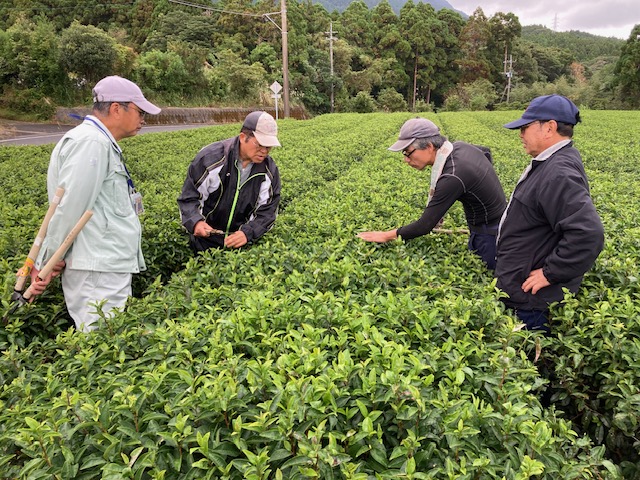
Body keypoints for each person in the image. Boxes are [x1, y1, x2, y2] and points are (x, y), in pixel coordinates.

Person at [31, 75, 161, 332]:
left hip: (103, 265)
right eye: (139, 111)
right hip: (97, 269)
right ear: (116, 108)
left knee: (108, 338)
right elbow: (69, 206)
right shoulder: (92, 143)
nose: (144, 119)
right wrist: (45, 262)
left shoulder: (97, 141)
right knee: (101, 338)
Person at [496, 94, 605, 334]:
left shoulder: (558, 172)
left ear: (549, 128)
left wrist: (550, 273)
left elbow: (589, 233)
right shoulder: (551, 162)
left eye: (525, 127)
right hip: (523, 291)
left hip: (531, 301)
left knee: (524, 365)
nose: (520, 134)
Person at [357, 117, 507, 269]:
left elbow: (424, 226)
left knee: (488, 273)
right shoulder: (460, 147)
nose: (406, 160)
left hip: (488, 234)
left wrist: (385, 235)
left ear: (429, 146)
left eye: (408, 153)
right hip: (497, 220)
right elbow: (485, 152)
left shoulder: (453, 176)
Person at [177, 111, 282, 252]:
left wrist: (247, 233)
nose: (264, 151)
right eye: (260, 144)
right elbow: (189, 198)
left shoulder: (269, 171)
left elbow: (267, 211)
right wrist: (196, 222)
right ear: (243, 137)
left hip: (241, 245)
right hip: (204, 242)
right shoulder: (211, 159)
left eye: (268, 147)